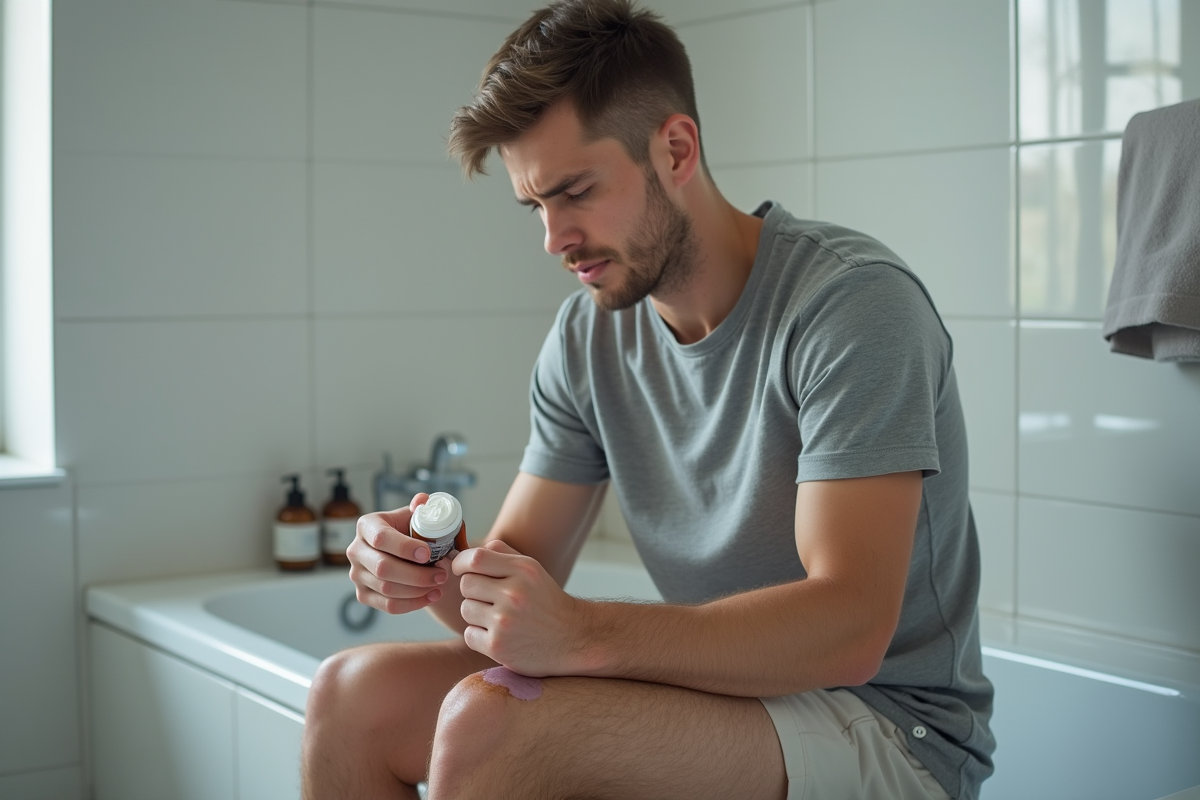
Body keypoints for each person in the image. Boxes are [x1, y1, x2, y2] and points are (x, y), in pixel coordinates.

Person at [300, 1, 995, 798]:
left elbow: (850, 629)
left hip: (891, 728)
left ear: (675, 149)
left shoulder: (851, 306)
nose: (554, 239)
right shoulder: (587, 339)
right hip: (720, 700)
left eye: (575, 191)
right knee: (349, 697)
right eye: (536, 205)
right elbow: (507, 596)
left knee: (493, 723)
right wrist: (423, 567)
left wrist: (584, 632)